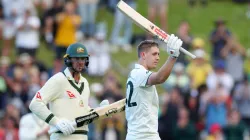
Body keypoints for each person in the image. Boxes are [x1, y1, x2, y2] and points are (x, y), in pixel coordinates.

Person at [29, 43, 109, 140]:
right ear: (68, 60)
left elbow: (83, 113)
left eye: (83, 59)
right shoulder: (59, 79)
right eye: (76, 59)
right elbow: (35, 104)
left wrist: (99, 111)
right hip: (62, 137)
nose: (80, 62)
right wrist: (56, 122)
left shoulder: (85, 83)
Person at [125, 34, 183, 140]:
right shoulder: (139, 73)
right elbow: (159, 78)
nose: (158, 57)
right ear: (143, 55)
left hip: (139, 135)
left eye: (159, 54)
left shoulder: (135, 75)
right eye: (154, 54)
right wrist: (173, 56)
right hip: (144, 136)